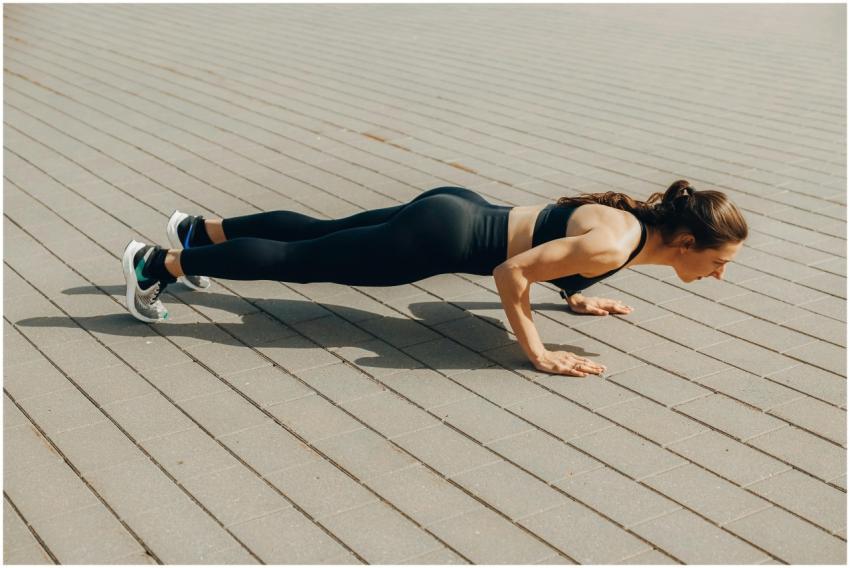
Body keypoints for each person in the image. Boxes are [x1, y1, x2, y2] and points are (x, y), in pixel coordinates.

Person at [122, 179, 747, 376]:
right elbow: (509, 271)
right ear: (688, 242)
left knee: (317, 229)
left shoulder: (629, 227)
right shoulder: (616, 244)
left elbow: (557, 243)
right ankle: (160, 264)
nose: (718, 275)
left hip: (453, 206)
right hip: (434, 240)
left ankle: (199, 230)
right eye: (718, 263)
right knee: (300, 261)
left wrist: (576, 298)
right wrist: (538, 351)